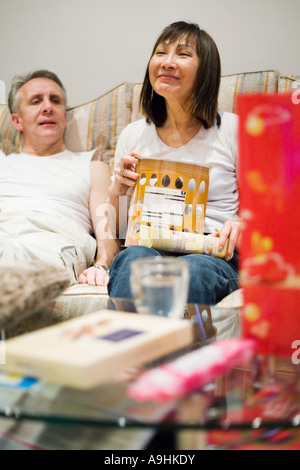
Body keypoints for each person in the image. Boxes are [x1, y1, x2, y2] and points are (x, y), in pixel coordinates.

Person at [107, 21, 241, 305]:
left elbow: (266, 213)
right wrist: (117, 192)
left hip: (212, 254)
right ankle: (128, 346)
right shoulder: (133, 134)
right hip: (148, 246)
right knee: (133, 259)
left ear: (206, 71)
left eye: (183, 54)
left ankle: (164, 347)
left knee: (191, 270)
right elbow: (118, 234)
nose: (167, 62)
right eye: (160, 53)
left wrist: (243, 225)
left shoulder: (233, 130)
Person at [0, 70, 120, 286]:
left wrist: (101, 265)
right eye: (36, 101)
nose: (48, 107)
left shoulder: (92, 165)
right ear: (17, 121)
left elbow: (107, 231)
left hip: (53, 240)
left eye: (55, 101)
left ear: (64, 117)